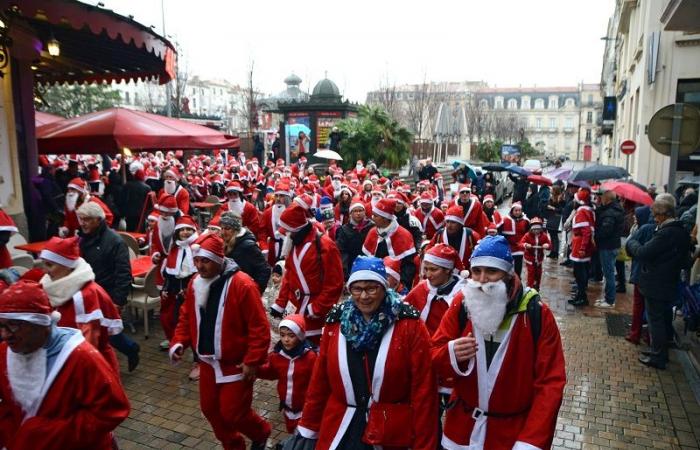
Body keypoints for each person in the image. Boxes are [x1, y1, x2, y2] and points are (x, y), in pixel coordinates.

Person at [431, 235, 566, 450]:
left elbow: (550, 383)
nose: (482, 279)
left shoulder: (537, 314)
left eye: (492, 272)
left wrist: (531, 441)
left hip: (511, 435)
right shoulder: (462, 304)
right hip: (462, 429)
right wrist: (451, 353)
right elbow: (433, 354)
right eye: (476, 271)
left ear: (508, 275)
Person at [293, 256, 438, 450]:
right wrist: (309, 426)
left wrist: (423, 444)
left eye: (372, 288)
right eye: (357, 289)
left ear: (384, 288)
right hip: (342, 425)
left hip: (390, 428)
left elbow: (423, 388)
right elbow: (320, 380)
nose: (364, 296)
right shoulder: (337, 321)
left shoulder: (408, 324)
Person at [169, 233, 272, 450]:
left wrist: (253, 360)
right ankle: (233, 445)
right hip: (207, 363)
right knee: (210, 409)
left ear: (218, 259)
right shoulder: (195, 283)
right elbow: (187, 315)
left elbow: (259, 328)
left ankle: (260, 432)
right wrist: (179, 341)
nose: (199, 266)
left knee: (233, 412)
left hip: (235, 364)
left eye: (204, 261)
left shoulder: (242, 284)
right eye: (196, 260)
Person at [0, 281, 130, 449]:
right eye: (1, 325)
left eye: (14, 325)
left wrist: (46, 434)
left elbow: (112, 411)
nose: (5, 335)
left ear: (41, 324)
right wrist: (12, 437)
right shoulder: (5, 353)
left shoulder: (82, 358)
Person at [626, 194, 693, 369]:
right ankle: (659, 352)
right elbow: (686, 261)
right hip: (669, 282)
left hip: (656, 283)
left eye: (656, 216)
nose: (655, 220)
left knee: (656, 321)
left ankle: (657, 356)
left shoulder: (666, 233)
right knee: (662, 319)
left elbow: (643, 252)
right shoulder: (682, 232)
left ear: (663, 215)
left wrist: (631, 243)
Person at [38, 236, 122, 374]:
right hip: (65, 362)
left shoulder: (86, 295)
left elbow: (89, 344)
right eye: (44, 264)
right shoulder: (52, 285)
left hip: (87, 367)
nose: (45, 271)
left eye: (50, 265)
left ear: (67, 265)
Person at [76, 202, 140, 372]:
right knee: (102, 332)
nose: (82, 223)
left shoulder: (115, 241)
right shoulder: (82, 239)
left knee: (105, 332)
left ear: (98, 220)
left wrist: (118, 300)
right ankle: (128, 349)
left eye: (87, 220)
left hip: (107, 295)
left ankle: (126, 352)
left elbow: (123, 273)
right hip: (88, 294)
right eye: (81, 219)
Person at [271, 204, 344, 345]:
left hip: (315, 311)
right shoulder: (293, 243)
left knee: (312, 351)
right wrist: (281, 303)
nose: (286, 234)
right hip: (295, 307)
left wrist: (317, 307)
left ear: (296, 229)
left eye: (288, 231)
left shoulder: (324, 245)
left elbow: (335, 283)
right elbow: (289, 275)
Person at [257, 314, 317, 433]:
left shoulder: (310, 357)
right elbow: (270, 372)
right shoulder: (276, 356)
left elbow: (318, 382)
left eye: (291, 336)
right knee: (291, 433)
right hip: (287, 409)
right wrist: (254, 369)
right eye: (282, 335)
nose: (286, 340)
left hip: (306, 410)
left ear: (299, 336)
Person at [160, 215, 199, 360]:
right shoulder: (175, 248)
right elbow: (170, 273)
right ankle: (178, 344)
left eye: (189, 229)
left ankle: (198, 359)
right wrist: (165, 288)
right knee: (177, 320)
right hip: (178, 294)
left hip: (194, 293)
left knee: (196, 324)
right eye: (182, 230)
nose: (185, 233)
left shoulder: (197, 248)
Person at [362, 198, 417, 290]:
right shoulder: (372, 232)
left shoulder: (404, 235)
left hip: (397, 285)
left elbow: (408, 266)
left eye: (375, 216)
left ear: (385, 219)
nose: (372, 218)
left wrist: (402, 285)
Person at [221, 211, 270, 295]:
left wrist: (255, 292)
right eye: (222, 228)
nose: (223, 232)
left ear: (235, 230)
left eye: (227, 228)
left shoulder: (247, 246)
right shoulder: (226, 242)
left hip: (243, 291)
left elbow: (265, 270)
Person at [625, 206, 654, 345]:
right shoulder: (656, 229)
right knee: (652, 309)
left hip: (641, 273)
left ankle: (635, 334)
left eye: (637, 215)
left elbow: (629, 245)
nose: (634, 217)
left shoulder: (644, 229)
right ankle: (649, 336)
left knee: (639, 305)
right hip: (655, 276)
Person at [593, 189, 625, 308]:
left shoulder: (610, 212)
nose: (600, 198)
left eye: (602, 196)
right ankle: (608, 298)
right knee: (609, 272)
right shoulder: (615, 209)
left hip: (608, 246)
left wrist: (595, 235)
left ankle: (610, 300)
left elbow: (606, 230)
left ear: (607, 198)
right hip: (612, 245)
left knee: (609, 273)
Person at [428, 205, 481, 271]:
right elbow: (428, 252)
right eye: (447, 222)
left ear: (460, 224)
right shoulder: (439, 234)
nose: (449, 225)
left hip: (467, 275)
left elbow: (481, 254)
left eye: (453, 222)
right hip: (444, 276)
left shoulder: (471, 235)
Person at [568, 189, 596, 307]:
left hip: (580, 245)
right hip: (580, 243)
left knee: (579, 272)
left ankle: (582, 296)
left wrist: (582, 248)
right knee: (580, 271)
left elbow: (586, 232)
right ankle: (580, 295)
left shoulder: (582, 212)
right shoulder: (586, 210)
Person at [336, 199, 375, 280]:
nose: (358, 213)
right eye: (355, 211)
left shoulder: (372, 227)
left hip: (371, 263)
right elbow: (342, 251)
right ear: (350, 214)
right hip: (352, 265)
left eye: (360, 210)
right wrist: (345, 271)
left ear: (364, 212)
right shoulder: (344, 230)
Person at [519, 217, 551, 290]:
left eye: (538, 229)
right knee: (531, 273)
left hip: (539, 258)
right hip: (529, 258)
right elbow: (521, 243)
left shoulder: (544, 236)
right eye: (534, 229)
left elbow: (549, 245)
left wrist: (547, 245)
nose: (536, 231)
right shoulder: (527, 235)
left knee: (538, 273)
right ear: (531, 229)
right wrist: (526, 245)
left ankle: (537, 287)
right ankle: (529, 288)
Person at [500, 202, 530, 278]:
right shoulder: (505, 220)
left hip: (520, 247)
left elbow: (528, 233)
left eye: (519, 210)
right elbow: (501, 233)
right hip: (509, 247)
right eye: (516, 210)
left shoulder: (526, 221)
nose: (518, 212)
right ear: (512, 211)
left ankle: (517, 279)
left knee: (518, 266)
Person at [119, 166, 151, 231]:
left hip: (129, 212)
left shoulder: (128, 185)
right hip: (141, 212)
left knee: (130, 228)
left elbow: (123, 198)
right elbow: (148, 202)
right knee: (140, 228)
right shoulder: (147, 187)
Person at [543, 185, 565, 259]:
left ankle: (556, 252)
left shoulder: (560, 199)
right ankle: (552, 252)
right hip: (550, 218)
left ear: (555, 191)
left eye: (552, 189)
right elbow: (547, 206)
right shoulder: (551, 198)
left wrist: (553, 208)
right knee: (552, 236)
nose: (551, 190)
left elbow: (561, 210)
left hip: (556, 220)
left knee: (555, 237)